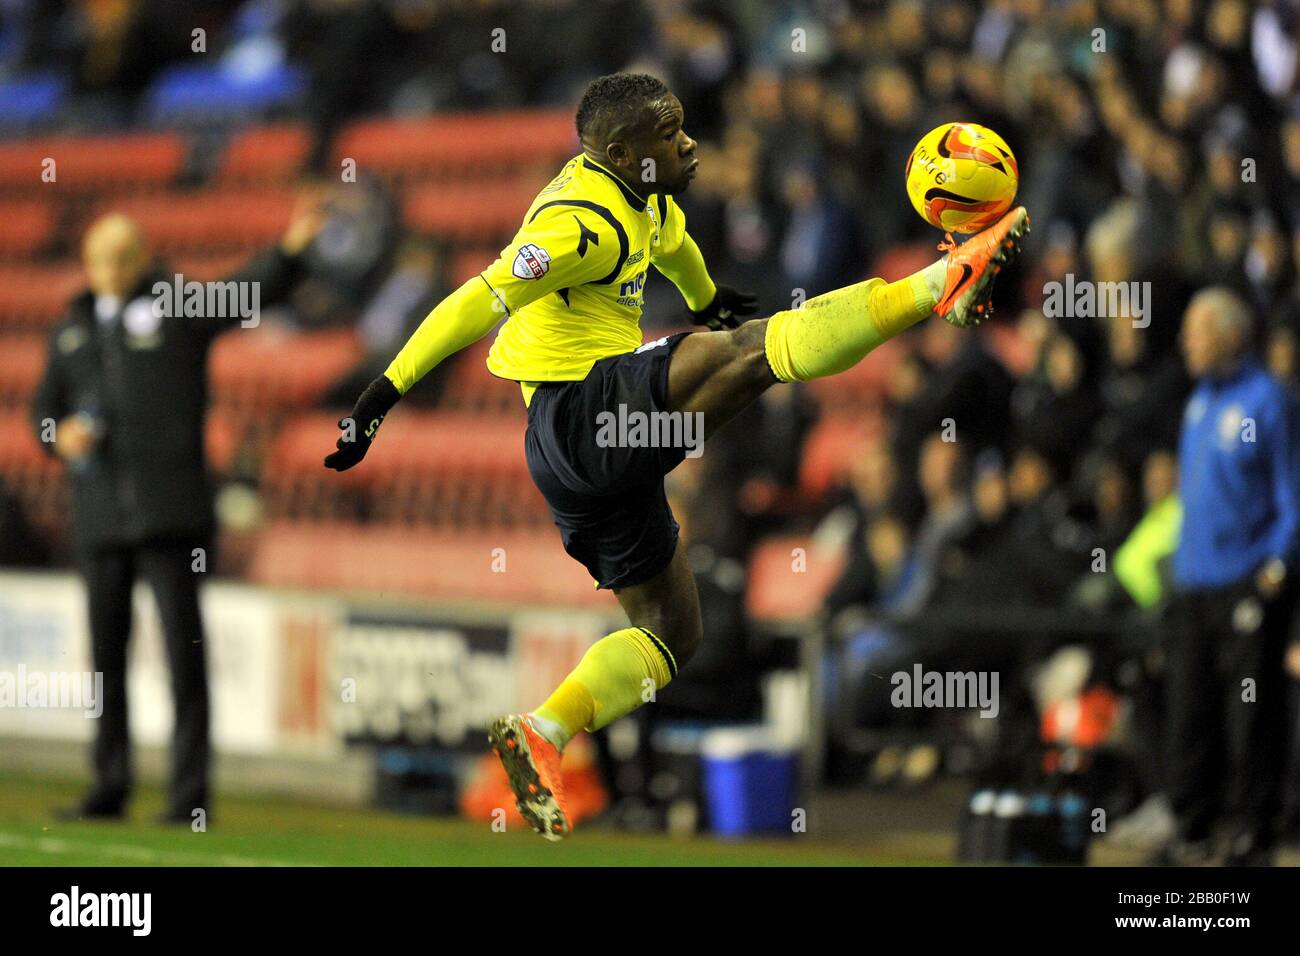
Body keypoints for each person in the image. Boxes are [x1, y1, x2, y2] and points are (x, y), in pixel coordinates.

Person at [323, 72, 1028, 840]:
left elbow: (674, 242)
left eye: (684, 126)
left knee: (671, 634)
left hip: (580, 464)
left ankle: (543, 731)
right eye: (670, 134)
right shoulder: (576, 226)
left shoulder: (644, 195)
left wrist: (705, 298)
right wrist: (378, 400)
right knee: (754, 356)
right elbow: (475, 299)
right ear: (623, 153)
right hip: (576, 412)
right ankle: (936, 288)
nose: (689, 142)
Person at [31, 199, 324, 823]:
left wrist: (291, 250)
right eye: (99, 259)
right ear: (86, 264)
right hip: (101, 517)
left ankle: (189, 797)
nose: (110, 269)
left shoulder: (176, 306)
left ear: (141, 257)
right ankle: (109, 786)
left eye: (121, 257)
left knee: (183, 656)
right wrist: (61, 437)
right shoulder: (71, 327)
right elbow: (43, 415)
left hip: (173, 514)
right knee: (105, 661)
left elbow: (244, 293)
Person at [1157, 286, 1300, 866]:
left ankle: (1253, 831)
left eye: (1197, 330)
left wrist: (1277, 565)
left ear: (1230, 336)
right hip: (1195, 584)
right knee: (1191, 711)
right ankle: (1192, 827)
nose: (1185, 342)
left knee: (1251, 713)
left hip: (1246, 581)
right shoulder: (1198, 402)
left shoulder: (1269, 401)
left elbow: (1294, 495)